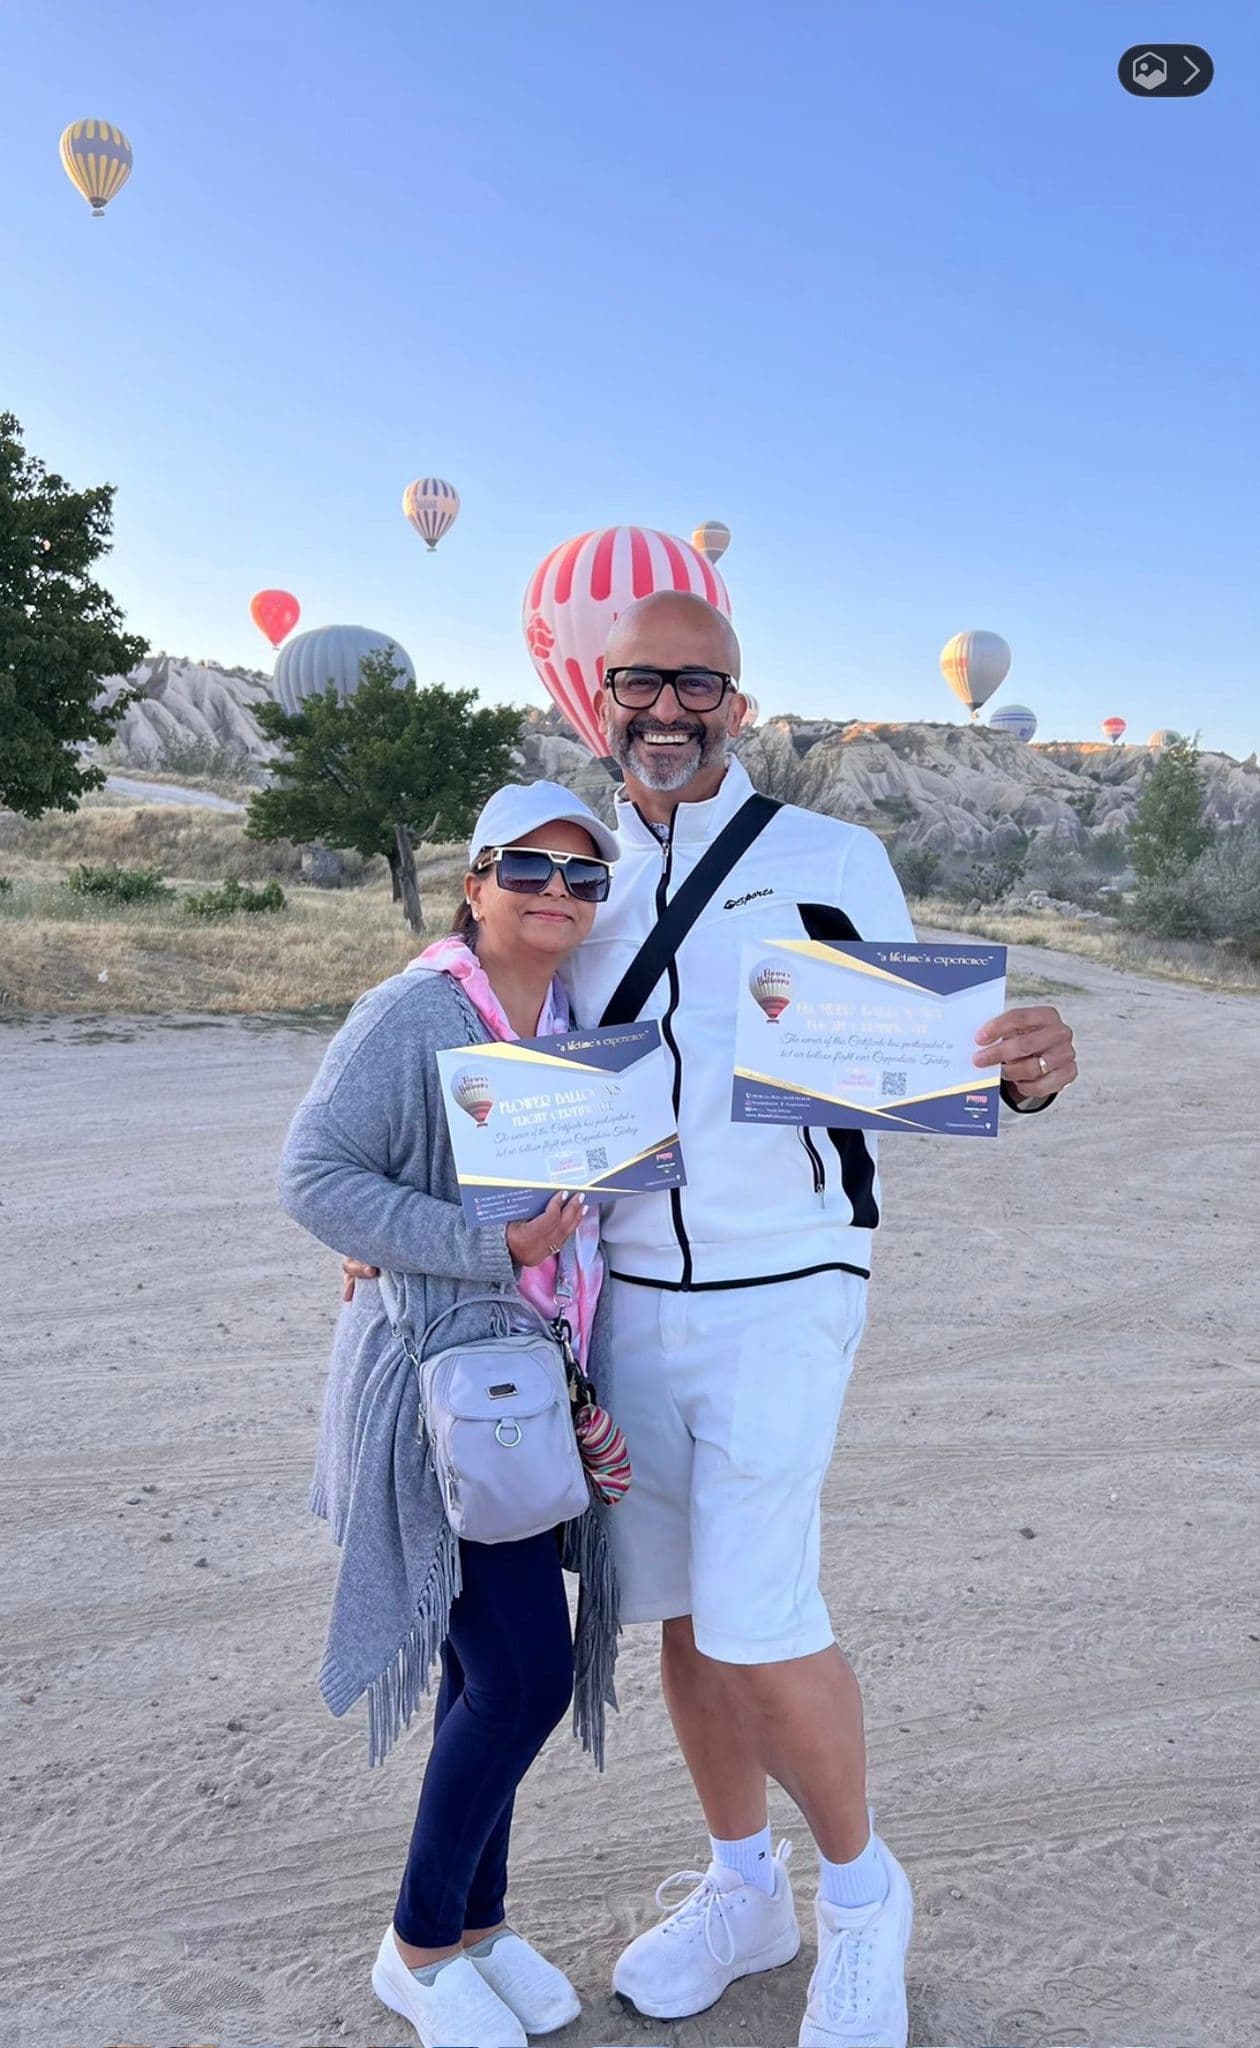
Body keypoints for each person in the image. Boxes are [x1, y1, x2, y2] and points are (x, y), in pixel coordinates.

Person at [559, 591, 1078, 2048]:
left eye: (699, 686)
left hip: (791, 1277)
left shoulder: (829, 855)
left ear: (741, 700)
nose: (668, 710)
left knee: (760, 1613)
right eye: (639, 684)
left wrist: (1021, 1070)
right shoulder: (570, 864)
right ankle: (746, 1891)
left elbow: (915, 1055)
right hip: (623, 1291)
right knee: (678, 1617)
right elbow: (511, 1042)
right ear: (597, 696)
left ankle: (861, 1900)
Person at [277, 783, 623, 2048]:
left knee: (489, 1665)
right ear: (475, 881)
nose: (557, 891)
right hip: (438, 1398)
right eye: (529, 866)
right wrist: (477, 1243)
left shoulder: (578, 1028)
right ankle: (418, 1946)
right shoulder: (415, 1011)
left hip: (524, 1391)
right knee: (527, 1672)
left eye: (583, 876)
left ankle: (479, 1922)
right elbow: (313, 1175)